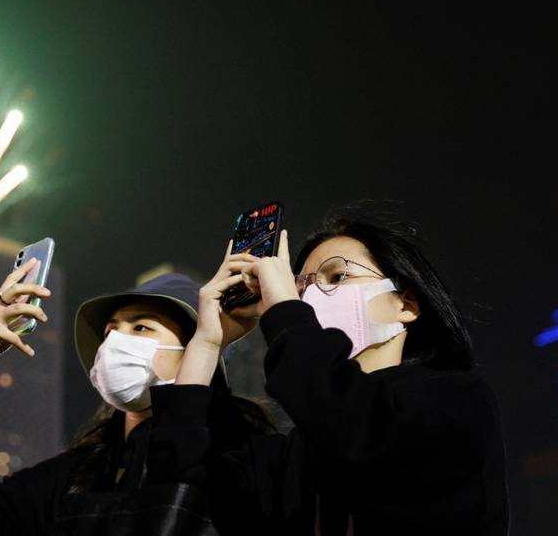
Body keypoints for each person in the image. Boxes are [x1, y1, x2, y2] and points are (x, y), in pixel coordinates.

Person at [148, 214, 509, 535]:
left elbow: (354, 425)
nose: (312, 297)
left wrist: (286, 311)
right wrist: (208, 344)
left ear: (407, 305)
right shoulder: (300, 450)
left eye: (337, 276)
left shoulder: (457, 401)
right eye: (302, 286)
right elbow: (187, 488)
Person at [0, 261, 272, 536]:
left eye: (141, 327)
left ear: (195, 347)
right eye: (110, 330)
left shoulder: (241, 456)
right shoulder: (78, 474)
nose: (116, 342)